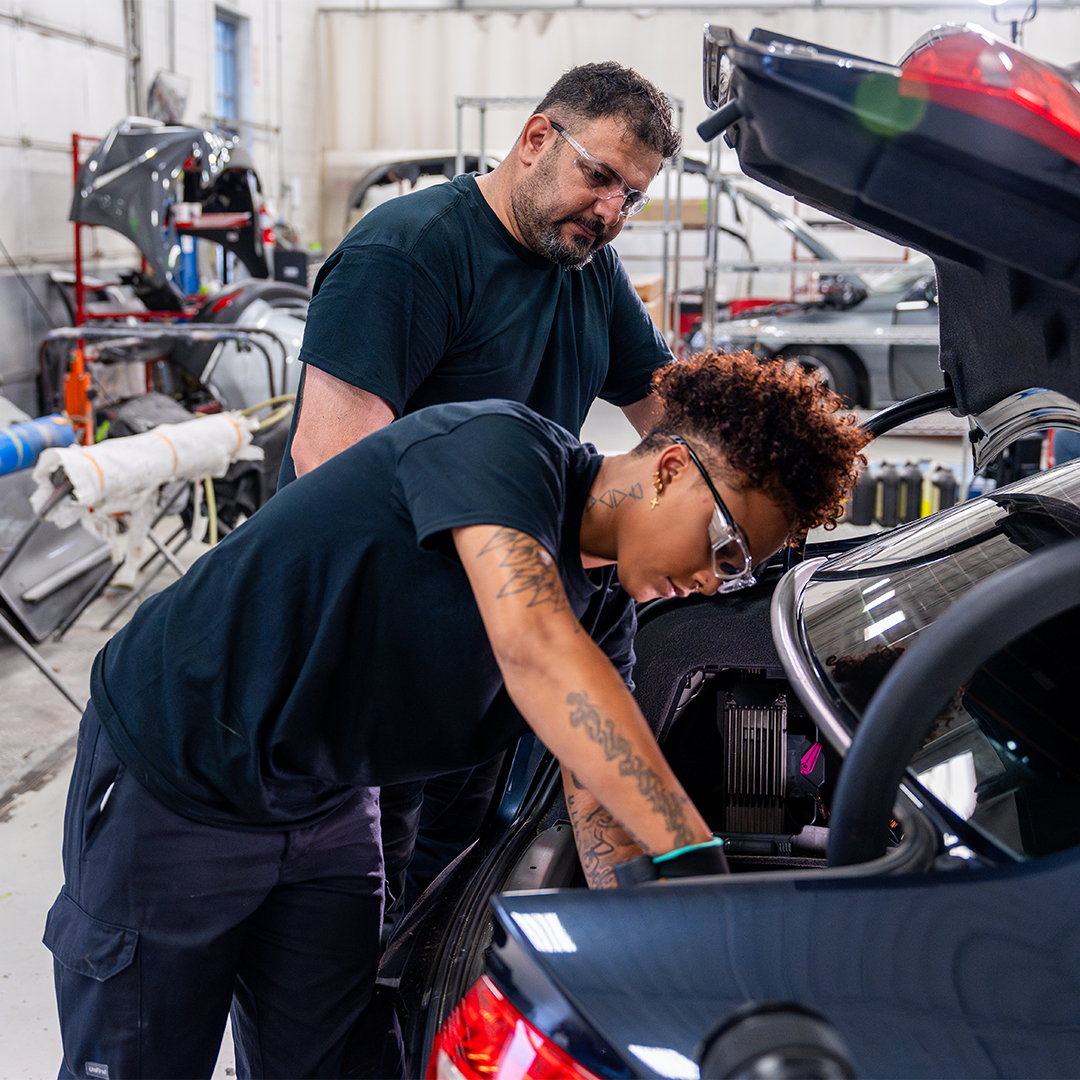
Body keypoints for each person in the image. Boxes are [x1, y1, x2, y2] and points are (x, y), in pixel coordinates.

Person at [44, 352, 864, 1078]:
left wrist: (657, 944)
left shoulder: (605, 614)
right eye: (725, 546)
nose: (716, 579)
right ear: (670, 469)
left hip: (328, 798)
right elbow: (533, 645)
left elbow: (595, 790)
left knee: (334, 1058)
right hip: (181, 774)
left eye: (739, 570)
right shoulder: (497, 449)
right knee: (144, 1053)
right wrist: (691, 857)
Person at [281, 61, 683, 923]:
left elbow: (677, 418)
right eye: (600, 176)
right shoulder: (409, 253)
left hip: (485, 647)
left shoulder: (588, 269)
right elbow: (329, 465)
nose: (611, 211)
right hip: (374, 646)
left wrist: (759, 464)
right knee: (364, 898)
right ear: (537, 138)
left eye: (633, 197)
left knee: (451, 875)